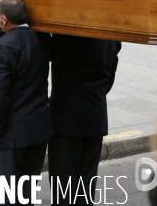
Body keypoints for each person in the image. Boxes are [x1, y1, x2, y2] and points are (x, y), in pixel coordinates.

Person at [0, 0, 52, 204]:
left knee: (5, 196)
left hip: (12, 134)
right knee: (26, 195)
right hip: (38, 130)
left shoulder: (4, 47)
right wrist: (0, 36)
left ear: (4, 19)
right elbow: (23, 47)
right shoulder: (42, 38)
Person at [49, 34, 121, 205]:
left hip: (66, 121)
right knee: (86, 185)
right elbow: (109, 79)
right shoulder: (111, 38)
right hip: (95, 117)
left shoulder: (66, 37)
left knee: (63, 190)